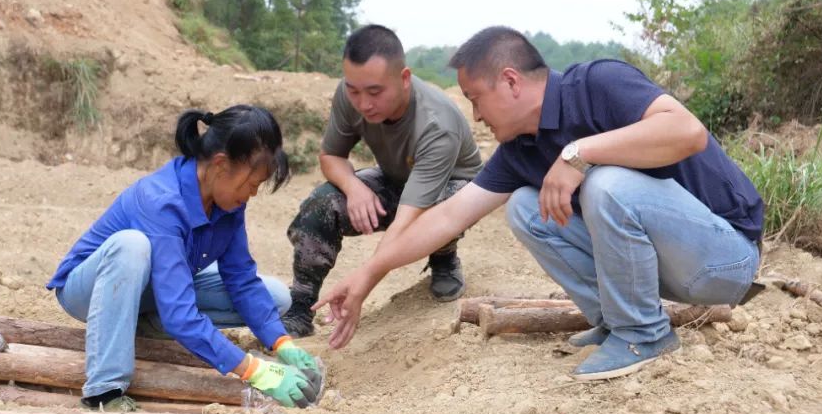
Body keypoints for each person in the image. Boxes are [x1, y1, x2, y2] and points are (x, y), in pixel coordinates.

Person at [314, 27, 764, 382]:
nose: (475, 116)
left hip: (725, 259)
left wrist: (578, 154)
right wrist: (367, 274)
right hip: (670, 267)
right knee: (525, 207)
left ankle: (642, 335)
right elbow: (450, 215)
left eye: (475, 99)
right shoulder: (519, 150)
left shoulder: (599, 84)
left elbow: (688, 132)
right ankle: (616, 320)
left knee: (602, 182)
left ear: (510, 81)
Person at [47, 105, 321, 410]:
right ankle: (105, 388)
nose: (253, 194)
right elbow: (180, 313)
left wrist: (281, 343)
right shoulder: (161, 201)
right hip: (90, 289)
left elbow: (241, 279)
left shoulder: (227, 203)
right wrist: (254, 370)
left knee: (276, 297)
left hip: (154, 290)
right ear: (220, 165)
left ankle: (143, 325)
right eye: (252, 184)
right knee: (131, 246)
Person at [280, 25, 483, 336]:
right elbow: (331, 156)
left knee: (438, 209)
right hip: (396, 177)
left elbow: (406, 222)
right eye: (354, 91)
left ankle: (444, 256)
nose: (363, 103)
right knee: (320, 205)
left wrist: (362, 285)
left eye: (375, 92)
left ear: (404, 79)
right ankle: (301, 306)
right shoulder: (352, 94)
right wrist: (354, 188)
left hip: (450, 190)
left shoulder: (436, 124)